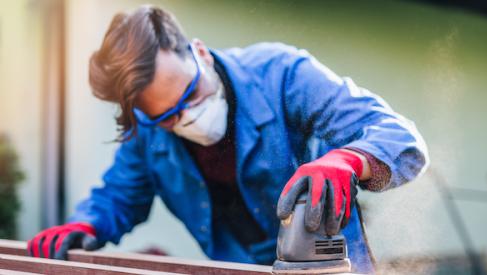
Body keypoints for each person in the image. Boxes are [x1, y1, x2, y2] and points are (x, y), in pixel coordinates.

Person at [27, 5, 428, 273]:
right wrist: (85, 224)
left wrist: (350, 160)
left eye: (191, 96)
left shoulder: (283, 74)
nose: (188, 117)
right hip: (234, 268)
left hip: (329, 269)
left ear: (199, 53)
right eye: (169, 116)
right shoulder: (147, 130)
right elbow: (119, 196)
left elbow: (400, 138)